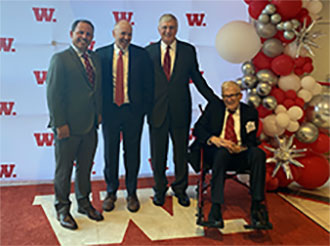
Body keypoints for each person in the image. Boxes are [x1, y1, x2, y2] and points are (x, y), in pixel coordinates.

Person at [146, 13, 218, 207]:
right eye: (164, 27)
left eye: (171, 27)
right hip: (157, 112)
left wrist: (214, 100)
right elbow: (144, 85)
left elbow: (197, 78)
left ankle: (180, 189)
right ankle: (159, 190)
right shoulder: (149, 52)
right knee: (158, 154)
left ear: (176, 29)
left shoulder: (188, 50)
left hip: (180, 111)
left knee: (180, 154)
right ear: (158, 29)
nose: (168, 31)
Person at [46, 19, 103, 230]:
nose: (84, 37)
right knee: (64, 171)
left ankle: (84, 203)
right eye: (80, 33)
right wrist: (60, 123)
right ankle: (62, 208)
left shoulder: (95, 59)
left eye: (88, 34)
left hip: (90, 126)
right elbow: (53, 94)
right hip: (67, 128)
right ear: (71, 34)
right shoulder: (59, 59)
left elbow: (97, 90)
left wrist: (99, 114)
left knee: (85, 169)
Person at [193, 81, 270, 228]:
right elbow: (198, 129)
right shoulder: (214, 108)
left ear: (240, 95)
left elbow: (252, 139)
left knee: (258, 154)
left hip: (240, 154)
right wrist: (214, 140)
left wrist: (242, 148)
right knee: (222, 153)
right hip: (218, 153)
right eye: (226, 96)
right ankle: (215, 209)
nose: (229, 99)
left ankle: (257, 207)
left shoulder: (249, 112)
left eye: (233, 95)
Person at [96, 20, 154, 213]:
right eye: (122, 34)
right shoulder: (101, 55)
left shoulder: (141, 55)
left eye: (129, 34)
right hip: (110, 112)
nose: (126, 38)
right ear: (114, 33)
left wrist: (142, 110)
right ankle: (111, 192)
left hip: (133, 112)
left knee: (133, 154)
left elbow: (149, 85)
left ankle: (131, 193)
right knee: (110, 155)